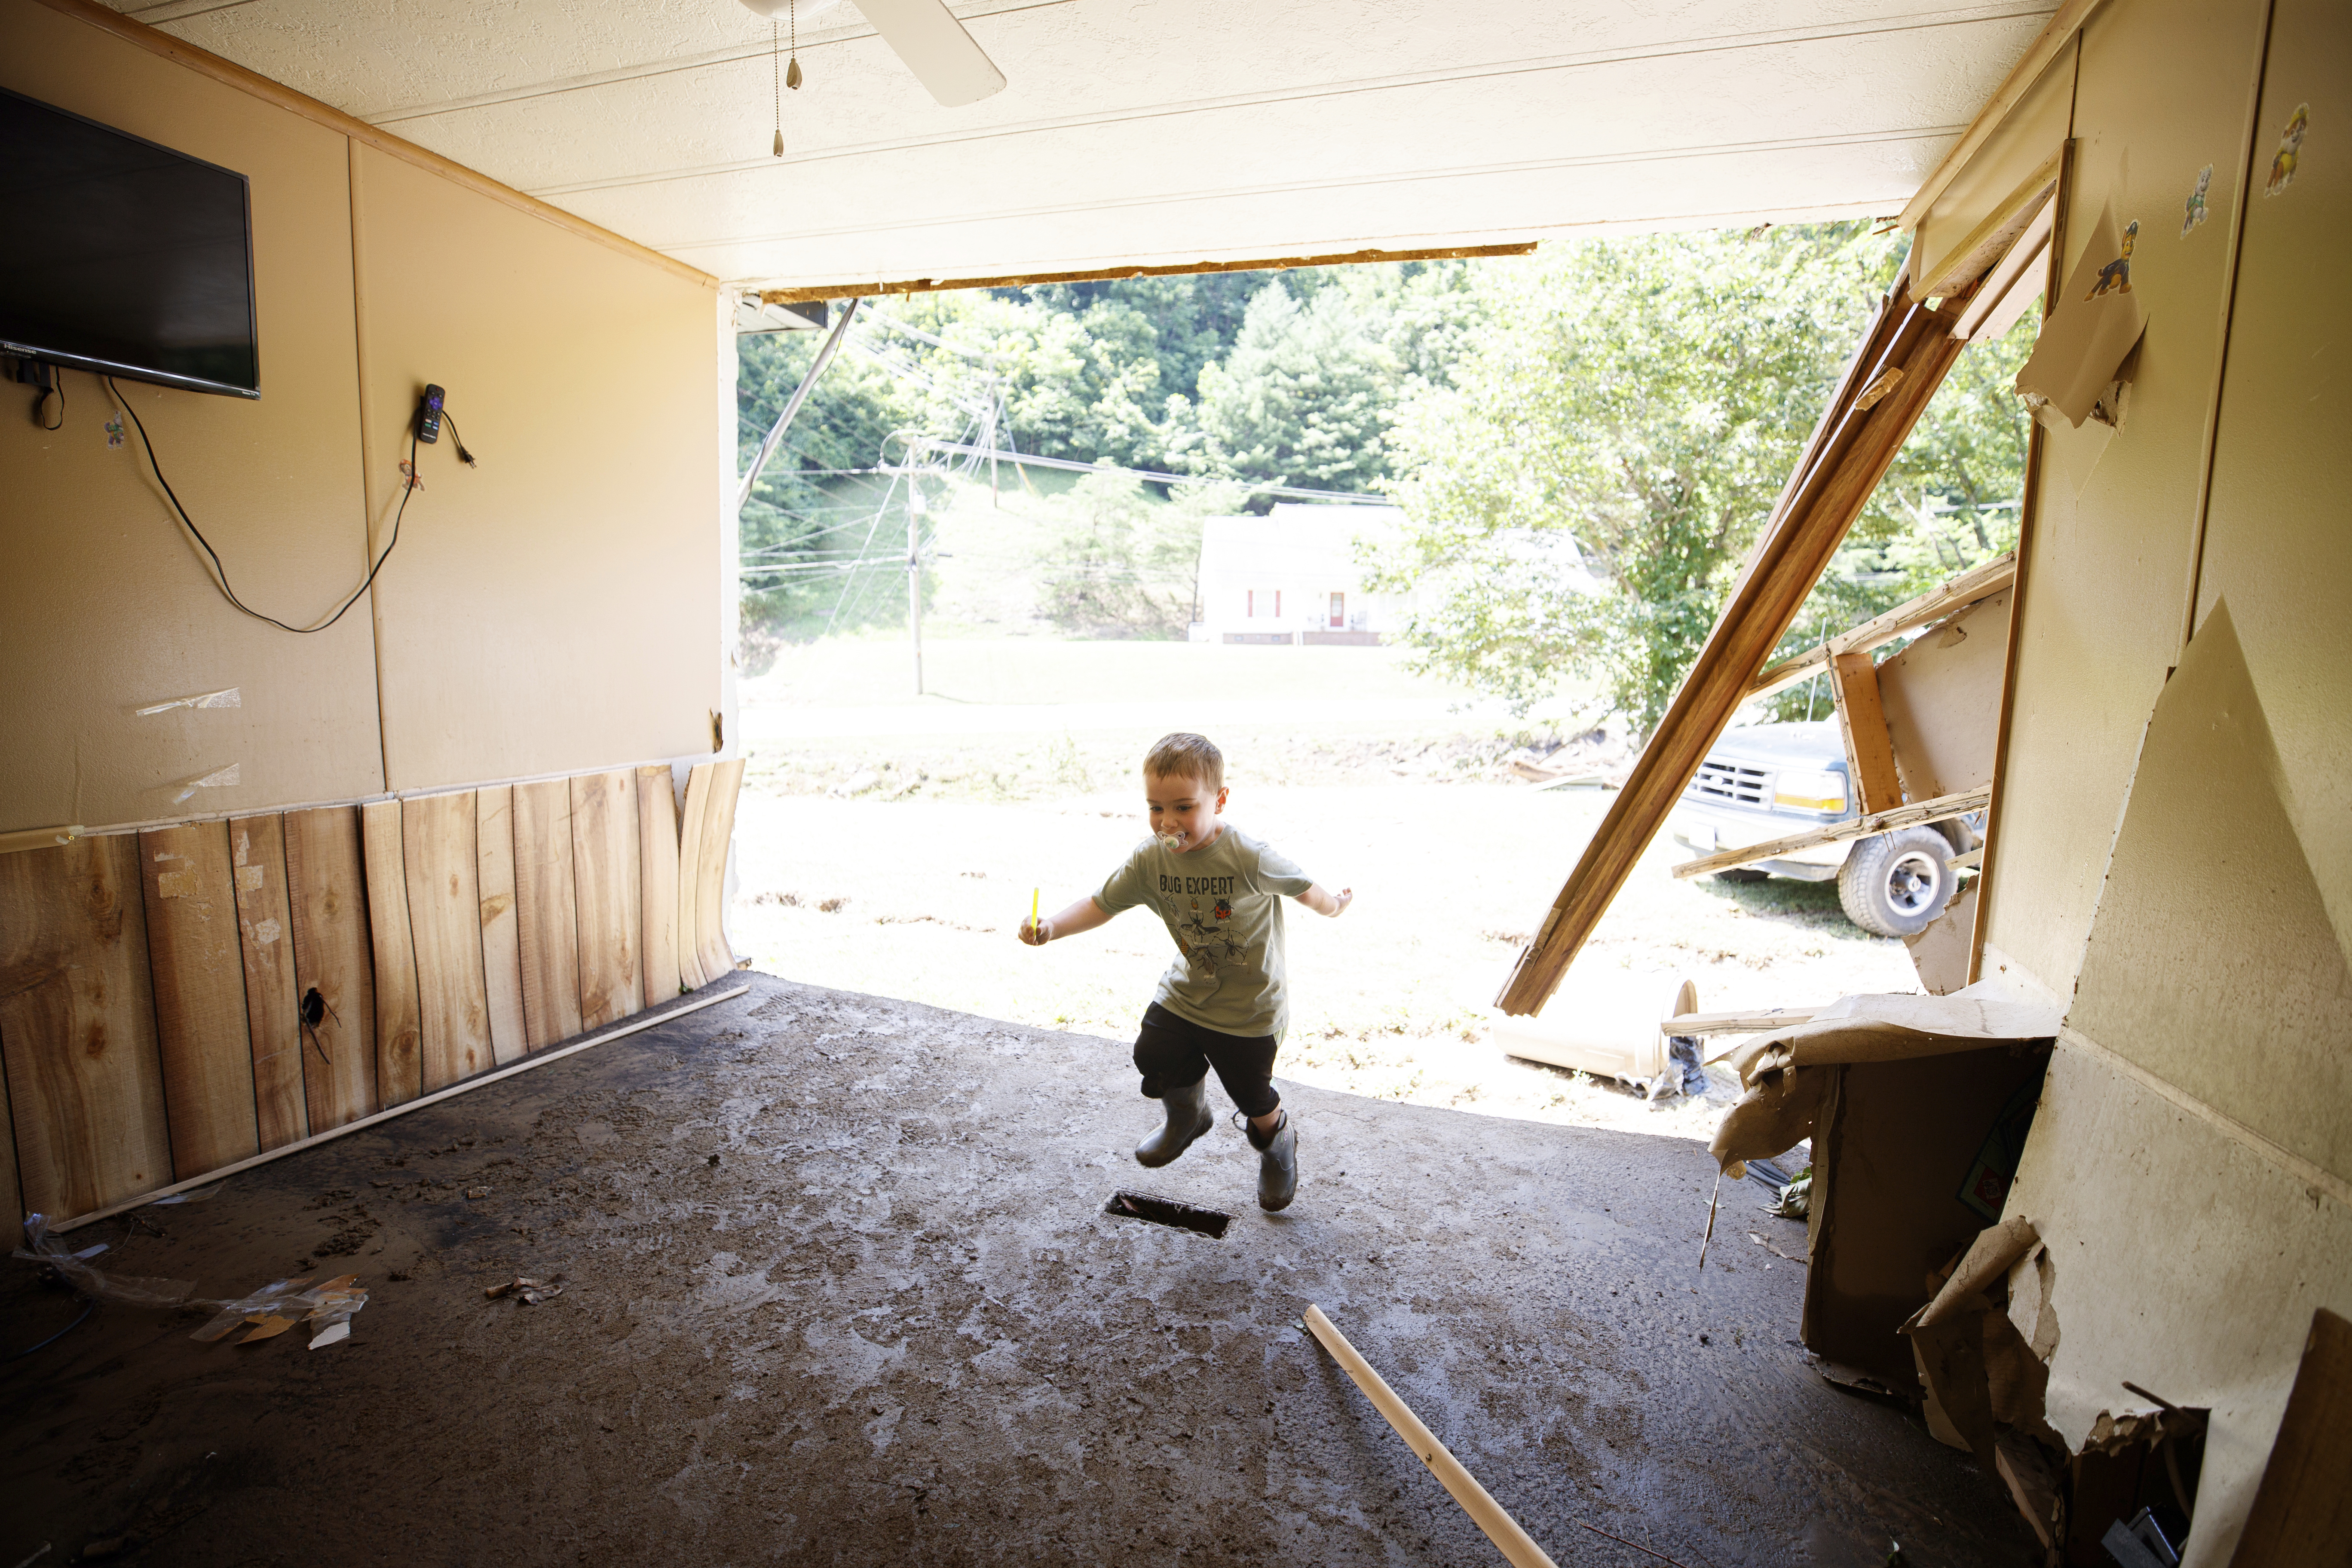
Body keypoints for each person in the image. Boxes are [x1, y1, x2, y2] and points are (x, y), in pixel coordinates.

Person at [1020, 732, 1351, 1211]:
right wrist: (1051, 926)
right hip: (1187, 992)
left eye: (1183, 807)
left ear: (1219, 801)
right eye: (1156, 808)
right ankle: (1187, 1116)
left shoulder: (1247, 856)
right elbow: (1101, 904)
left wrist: (1335, 907)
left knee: (1253, 1097)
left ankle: (1278, 1146)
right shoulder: (1150, 858)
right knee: (1154, 1051)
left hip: (1250, 1006)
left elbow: (1304, 888)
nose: (1167, 822)